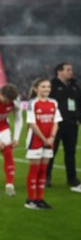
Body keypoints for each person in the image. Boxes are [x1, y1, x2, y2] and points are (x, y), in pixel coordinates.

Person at [24, 78, 61, 210]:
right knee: (35, 169)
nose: (46, 89)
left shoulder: (53, 103)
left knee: (43, 170)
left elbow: (56, 122)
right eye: (43, 86)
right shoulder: (32, 103)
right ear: (36, 89)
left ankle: (40, 198)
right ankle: (30, 199)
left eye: (48, 87)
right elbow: (32, 123)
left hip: (49, 140)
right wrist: (44, 139)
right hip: (35, 140)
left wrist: (51, 137)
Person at [45, 62, 80, 191]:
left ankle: (72, 178)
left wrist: (78, 118)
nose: (71, 72)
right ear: (59, 72)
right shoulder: (51, 85)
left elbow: (79, 103)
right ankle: (46, 177)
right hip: (56, 124)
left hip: (72, 124)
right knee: (51, 152)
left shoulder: (75, 86)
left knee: (71, 152)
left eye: (71, 69)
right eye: (68, 70)